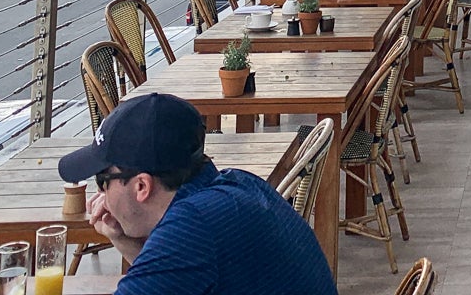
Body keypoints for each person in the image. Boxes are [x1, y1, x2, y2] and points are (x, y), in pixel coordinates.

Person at [59, 93, 333, 295]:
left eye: (103, 180)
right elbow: (172, 279)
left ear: (141, 186)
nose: (101, 195)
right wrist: (122, 240)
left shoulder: (192, 228)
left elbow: (179, 256)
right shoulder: (238, 184)